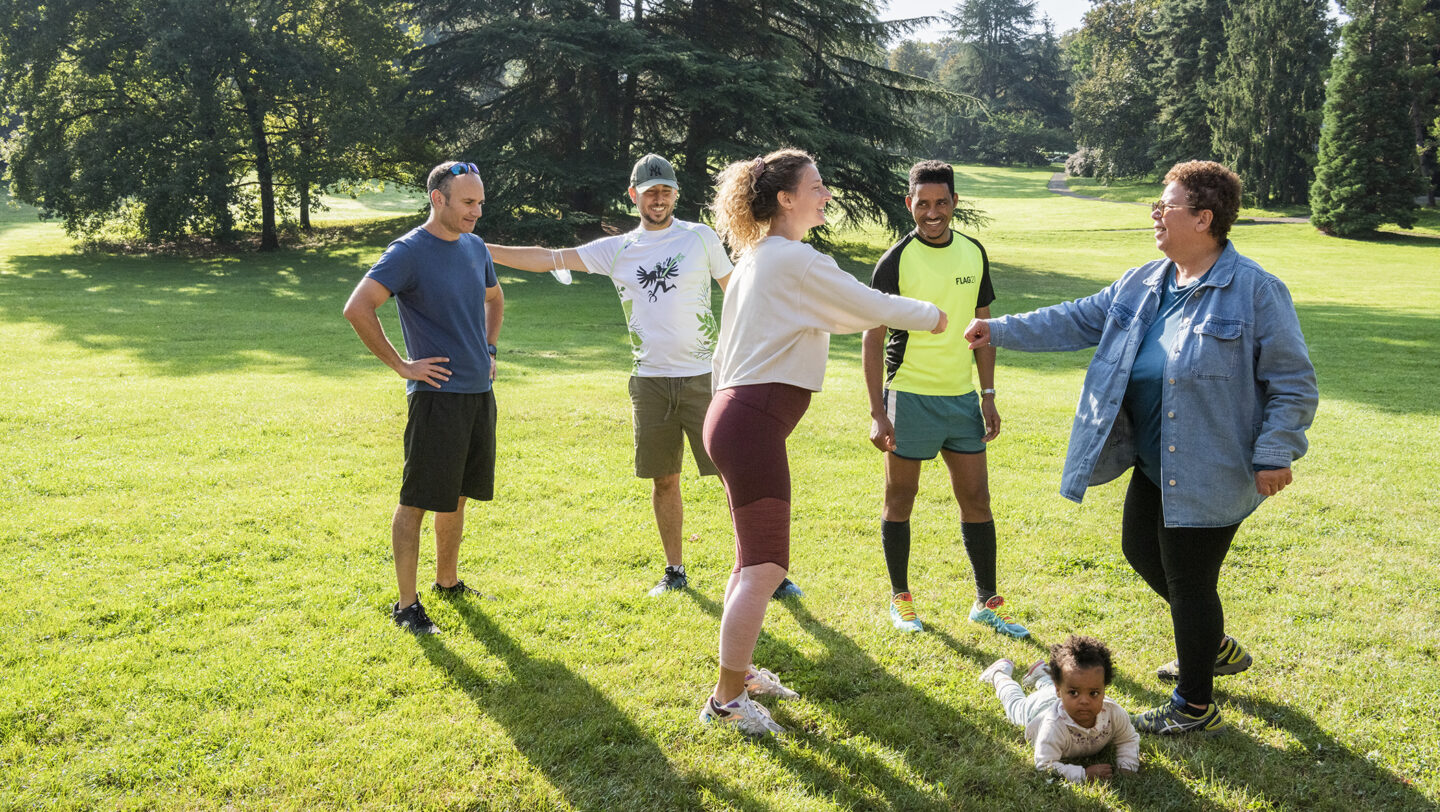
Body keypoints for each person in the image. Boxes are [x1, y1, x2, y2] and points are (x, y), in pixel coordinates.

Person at [964, 161, 1318, 735]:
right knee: (1139, 548)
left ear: (1203, 219)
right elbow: (1076, 319)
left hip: (1212, 467)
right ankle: (1213, 645)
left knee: (1187, 579)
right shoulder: (1143, 283)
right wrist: (999, 329)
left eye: (1166, 205)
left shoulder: (1254, 291)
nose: (1155, 213)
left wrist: (1276, 451)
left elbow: (1293, 382)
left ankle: (1194, 704)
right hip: (1155, 463)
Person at [697, 148, 948, 736]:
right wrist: (934, 315)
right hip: (750, 421)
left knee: (749, 561)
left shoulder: (761, 257)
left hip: (734, 416)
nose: (826, 192)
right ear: (786, 199)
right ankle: (726, 699)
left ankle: (739, 676)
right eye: (816, 185)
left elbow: (837, 316)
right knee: (766, 565)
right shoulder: (793, 259)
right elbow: (870, 306)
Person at [487, 155, 801, 600]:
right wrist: (482, 250)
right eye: (649, 191)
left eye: (665, 191)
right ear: (633, 196)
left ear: (676, 193)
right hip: (649, 382)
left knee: (738, 477)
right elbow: (548, 258)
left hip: (706, 379)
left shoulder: (700, 238)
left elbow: (738, 294)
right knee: (664, 479)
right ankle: (675, 570)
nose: (658, 199)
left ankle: (764, 569)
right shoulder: (616, 249)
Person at [863, 160, 1027, 637]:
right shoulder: (894, 260)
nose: (931, 213)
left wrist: (988, 395)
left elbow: (983, 331)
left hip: (961, 400)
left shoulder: (974, 253)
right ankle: (901, 598)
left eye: (941, 202)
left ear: (955, 203)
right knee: (901, 496)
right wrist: (877, 412)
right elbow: (872, 340)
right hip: (909, 395)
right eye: (922, 203)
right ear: (908, 203)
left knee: (976, 497)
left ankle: (987, 601)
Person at [342, 161, 504, 635]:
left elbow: (494, 300)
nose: (477, 211)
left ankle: (447, 582)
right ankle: (406, 606)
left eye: (479, 201)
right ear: (439, 199)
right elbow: (358, 307)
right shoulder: (409, 252)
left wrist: (490, 349)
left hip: (478, 392)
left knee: (456, 495)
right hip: (437, 398)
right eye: (468, 202)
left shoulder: (475, 248)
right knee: (417, 500)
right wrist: (403, 366)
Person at [978, 635, 1140, 783]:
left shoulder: (1114, 713)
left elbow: (1128, 739)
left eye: (1094, 693)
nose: (1084, 701)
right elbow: (1044, 764)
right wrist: (1083, 774)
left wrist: (1127, 766)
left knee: (1062, 685)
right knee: (1014, 705)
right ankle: (999, 675)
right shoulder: (1053, 725)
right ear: (1059, 691)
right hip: (1038, 708)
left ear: (1104, 689)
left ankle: (1042, 675)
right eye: (1074, 692)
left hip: (1055, 693)